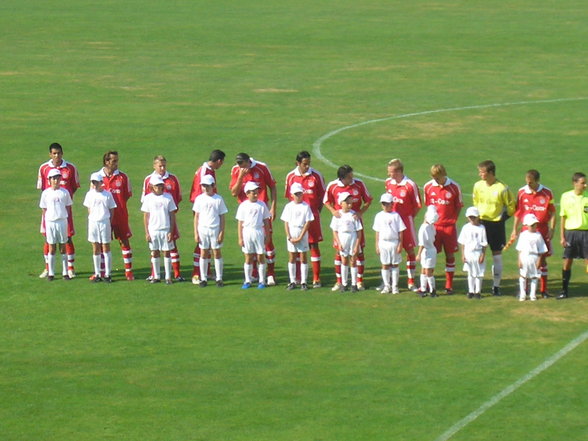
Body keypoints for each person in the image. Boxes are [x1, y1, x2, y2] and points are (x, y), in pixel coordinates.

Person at [230, 152, 278, 285]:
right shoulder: (235, 170)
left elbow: (272, 186)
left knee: (267, 242)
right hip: (246, 212)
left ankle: (271, 273)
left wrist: (273, 207)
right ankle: (255, 273)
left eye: (242, 163)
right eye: (238, 164)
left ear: (248, 161)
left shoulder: (262, 167)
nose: (240, 166)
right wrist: (240, 177)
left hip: (262, 210)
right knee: (250, 246)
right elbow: (234, 192)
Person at [324, 165, 372, 291]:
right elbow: (326, 201)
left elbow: (368, 200)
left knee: (358, 251)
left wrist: (360, 212)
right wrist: (333, 211)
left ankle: (359, 281)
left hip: (355, 223)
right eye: (349, 177)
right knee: (340, 253)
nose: (352, 178)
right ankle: (340, 282)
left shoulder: (359, 184)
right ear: (342, 178)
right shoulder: (332, 186)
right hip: (340, 224)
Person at [509, 169, 556, 297]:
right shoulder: (522, 192)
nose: (528, 184)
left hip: (541, 229)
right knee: (524, 259)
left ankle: (543, 290)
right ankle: (525, 290)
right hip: (526, 230)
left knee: (543, 260)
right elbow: (518, 213)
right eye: (527, 182)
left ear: (537, 181)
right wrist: (514, 229)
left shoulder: (547, 193)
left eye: (531, 182)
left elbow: (552, 212)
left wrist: (552, 229)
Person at [472, 160, 515, 296]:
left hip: (496, 225)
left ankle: (496, 286)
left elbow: (511, 207)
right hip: (481, 224)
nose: (480, 174)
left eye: (482, 172)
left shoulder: (502, 188)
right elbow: (475, 202)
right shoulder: (478, 186)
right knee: (478, 255)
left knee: (497, 256)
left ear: (490, 173)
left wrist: (501, 219)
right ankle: (477, 287)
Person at [37, 143, 80, 278]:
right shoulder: (43, 168)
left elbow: (74, 186)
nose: (57, 156)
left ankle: (70, 268)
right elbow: (42, 188)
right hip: (49, 212)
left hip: (64, 210)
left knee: (68, 238)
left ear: (62, 153)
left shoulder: (70, 168)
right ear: (50, 154)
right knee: (48, 240)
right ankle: (48, 268)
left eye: (59, 153)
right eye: (54, 153)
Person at [284, 151, 326, 288]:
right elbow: (288, 198)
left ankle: (316, 278)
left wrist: (315, 213)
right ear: (297, 163)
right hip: (296, 219)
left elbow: (322, 197)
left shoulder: (316, 176)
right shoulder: (291, 177)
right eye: (304, 164)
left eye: (309, 163)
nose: (307, 166)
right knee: (295, 250)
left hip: (312, 216)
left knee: (313, 245)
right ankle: (296, 278)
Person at [142, 155, 184, 281]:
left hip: (167, 221)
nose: (162, 168)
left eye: (164, 165)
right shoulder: (148, 180)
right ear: (154, 165)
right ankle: (155, 274)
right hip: (154, 226)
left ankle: (174, 274)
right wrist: (146, 231)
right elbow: (145, 210)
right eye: (159, 165)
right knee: (155, 250)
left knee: (170, 247)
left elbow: (178, 198)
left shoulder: (172, 179)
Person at [423, 164, 463, 294]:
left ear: (443, 174)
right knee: (430, 254)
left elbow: (458, 206)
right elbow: (428, 206)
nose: (435, 180)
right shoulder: (428, 187)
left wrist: (453, 220)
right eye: (433, 177)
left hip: (449, 227)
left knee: (450, 254)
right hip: (434, 227)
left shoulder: (454, 187)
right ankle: (428, 284)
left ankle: (449, 285)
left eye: (437, 177)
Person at [96, 151, 135, 281]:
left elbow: (126, 196)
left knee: (124, 241)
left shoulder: (123, 177)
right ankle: (102, 272)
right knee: (102, 243)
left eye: (117, 161)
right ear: (106, 162)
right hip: (104, 216)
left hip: (120, 215)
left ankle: (129, 272)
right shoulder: (97, 177)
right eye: (114, 161)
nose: (116, 164)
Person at [189, 149, 226, 284]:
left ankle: (208, 272)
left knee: (210, 248)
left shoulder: (206, 170)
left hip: (207, 211)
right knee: (202, 247)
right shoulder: (205, 172)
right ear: (219, 161)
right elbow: (199, 194)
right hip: (202, 212)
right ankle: (197, 274)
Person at [385, 159, 422, 291]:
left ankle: (411, 281)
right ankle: (388, 282)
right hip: (390, 223)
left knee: (410, 250)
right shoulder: (388, 183)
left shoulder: (410, 185)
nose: (389, 175)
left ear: (399, 171)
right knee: (389, 250)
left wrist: (409, 217)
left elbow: (418, 204)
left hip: (406, 222)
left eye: (391, 173)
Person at [192, 174, 228, 287]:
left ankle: (219, 278)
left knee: (216, 252)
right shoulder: (199, 199)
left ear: (213, 186)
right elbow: (196, 217)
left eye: (208, 186)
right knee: (204, 253)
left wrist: (221, 232)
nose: (206, 188)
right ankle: (203, 278)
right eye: (203, 186)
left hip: (215, 229)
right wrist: (196, 232)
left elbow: (222, 217)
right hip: (203, 229)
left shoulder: (218, 199)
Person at [141, 176, 178, 285]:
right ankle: (156, 276)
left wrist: (171, 231)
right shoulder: (148, 198)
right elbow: (146, 216)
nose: (159, 187)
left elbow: (172, 215)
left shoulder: (168, 197)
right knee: (155, 252)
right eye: (157, 185)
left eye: (161, 185)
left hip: (165, 229)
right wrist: (147, 232)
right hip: (153, 229)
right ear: (152, 187)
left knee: (166, 252)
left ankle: (168, 276)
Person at [235, 181, 272, 289]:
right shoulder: (243, 206)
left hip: (258, 231)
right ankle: (248, 280)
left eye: (257, 192)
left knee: (260, 256)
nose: (256, 194)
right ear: (247, 193)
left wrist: (268, 234)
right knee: (248, 257)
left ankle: (261, 280)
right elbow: (240, 223)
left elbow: (266, 220)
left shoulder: (262, 205)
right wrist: (240, 237)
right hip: (247, 232)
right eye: (253, 192)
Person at [557, 172, 588, 299]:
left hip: (586, 232)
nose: (585, 185)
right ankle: (564, 291)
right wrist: (562, 237)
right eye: (582, 183)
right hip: (571, 233)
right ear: (575, 183)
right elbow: (563, 217)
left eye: (585, 183)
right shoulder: (565, 196)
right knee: (567, 262)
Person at [39, 169, 73, 281]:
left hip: (62, 221)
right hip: (50, 222)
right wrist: (47, 221)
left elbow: (68, 207)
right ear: (49, 180)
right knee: (51, 247)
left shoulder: (65, 192)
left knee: (63, 247)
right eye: (53, 178)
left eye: (58, 178)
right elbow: (44, 209)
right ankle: (51, 273)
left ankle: (65, 272)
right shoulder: (45, 193)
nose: (56, 180)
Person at [83, 173, 117, 283]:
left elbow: (112, 209)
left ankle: (107, 273)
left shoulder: (107, 195)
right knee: (95, 247)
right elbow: (89, 208)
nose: (94, 184)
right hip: (93, 222)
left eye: (95, 182)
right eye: (92, 182)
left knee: (106, 246)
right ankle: (97, 273)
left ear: (101, 183)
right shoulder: (89, 194)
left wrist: (109, 223)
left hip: (104, 222)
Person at [280, 182, 314, 291]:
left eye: (300, 193)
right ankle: (292, 281)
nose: (298, 196)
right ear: (292, 195)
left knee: (303, 257)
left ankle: (304, 281)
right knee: (292, 257)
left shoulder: (305, 206)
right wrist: (289, 236)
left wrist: (300, 236)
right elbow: (286, 222)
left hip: (301, 232)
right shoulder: (288, 206)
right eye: (296, 194)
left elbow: (307, 222)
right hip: (292, 231)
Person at [329, 192, 363, 293]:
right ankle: (344, 283)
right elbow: (334, 230)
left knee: (353, 261)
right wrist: (338, 243)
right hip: (342, 238)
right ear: (341, 203)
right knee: (344, 261)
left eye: (350, 203)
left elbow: (359, 231)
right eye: (347, 203)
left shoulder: (353, 215)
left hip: (352, 237)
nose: (349, 205)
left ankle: (354, 283)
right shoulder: (337, 215)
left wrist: (357, 245)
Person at [372, 193, 406, 294]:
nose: (385, 206)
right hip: (383, 243)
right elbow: (377, 232)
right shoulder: (379, 216)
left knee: (395, 264)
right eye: (383, 204)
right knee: (385, 264)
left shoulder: (396, 216)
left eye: (387, 204)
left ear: (392, 204)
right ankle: (387, 285)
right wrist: (377, 245)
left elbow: (401, 231)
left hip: (394, 242)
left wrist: (400, 244)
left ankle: (395, 286)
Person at [516, 214, 548, 302]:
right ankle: (522, 294)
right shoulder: (523, 235)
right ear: (526, 225)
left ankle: (532, 294)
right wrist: (519, 259)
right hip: (524, 256)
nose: (534, 226)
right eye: (532, 225)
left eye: (535, 224)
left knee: (534, 276)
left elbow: (542, 249)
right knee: (523, 275)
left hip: (534, 257)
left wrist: (539, 260)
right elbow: (519, 249)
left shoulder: (538, 235)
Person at [458, 207, 488, 300]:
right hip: (469, 252)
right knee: (470, 273)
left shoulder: (481, 228)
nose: (472, 219)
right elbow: (462, 242)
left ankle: (477, 291)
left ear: (478, 217)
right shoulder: (466, 227)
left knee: (479, 273)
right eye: (470, 217)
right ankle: (471, 291)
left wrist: (483, 254)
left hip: (478, 252)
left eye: (474, 217)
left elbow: (484, 243)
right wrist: (463, 254)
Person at [416, 206, 439, 297]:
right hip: (430, 250)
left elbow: (422, 243)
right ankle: (423, 288)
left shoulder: (424, 228)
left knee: (428, 272)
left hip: (427, 251)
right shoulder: (431, 226)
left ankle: (432, 290)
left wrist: (418, 254)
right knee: (423, 270)